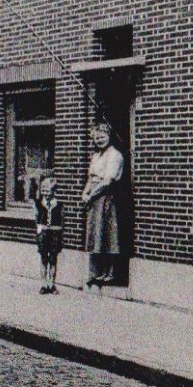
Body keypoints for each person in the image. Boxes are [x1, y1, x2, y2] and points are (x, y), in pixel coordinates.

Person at [81, 123, 126, 287]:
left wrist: (91, 194)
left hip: (106, 197)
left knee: (108, 234)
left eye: (103, 136)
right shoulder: (96, 155)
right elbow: (90, 178)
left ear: (109, 136)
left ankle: (110, 272)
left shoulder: (115, 155)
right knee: (95, 235)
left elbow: (107, 181)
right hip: (93, 198)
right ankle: (96, 272)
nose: (99, 140)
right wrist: (84, 193)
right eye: (96, 137)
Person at [33, 175, 64, 295]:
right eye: (43, 190)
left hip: (55, 233)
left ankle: (52, 284)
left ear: (54, 191)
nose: (45, 193)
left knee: (53, 259)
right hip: (44, 233)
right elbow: (36, 218)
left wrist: (59, 232)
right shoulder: (38, 203)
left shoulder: (59, 205)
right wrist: (40, 228)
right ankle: (44, 284)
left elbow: (62, 220)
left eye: (48, 190)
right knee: (43, 258)